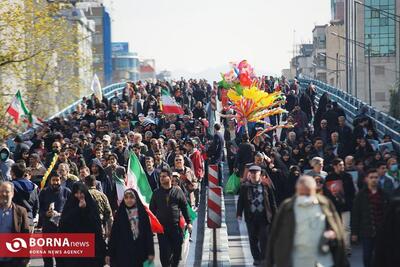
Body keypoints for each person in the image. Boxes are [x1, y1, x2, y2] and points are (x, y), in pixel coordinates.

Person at [266, 175, 348, 267]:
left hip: (322, 260)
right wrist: (269, 262)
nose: (305, 198)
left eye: (308, 194)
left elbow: (338, 229)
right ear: (297, 190)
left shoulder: (325, 204)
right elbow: (274, 234)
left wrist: (332, 234)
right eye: (302, 194)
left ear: (314, 190)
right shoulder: (287, 207)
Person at [150, 168, 192, 267]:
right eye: (160, 177)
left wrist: (189, 222)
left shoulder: (178, 192)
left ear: (170, 178)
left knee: (177, 251)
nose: (161, 178)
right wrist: (150, 225)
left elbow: (184, 208)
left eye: (164, 176)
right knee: (164, 252)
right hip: (162, 229)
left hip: (176, 227)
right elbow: (152, 211)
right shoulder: (156, 193)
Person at [58, 182, 106, 267]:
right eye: (77, 193)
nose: (79, 195)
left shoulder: (91, 205)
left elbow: (96, 225)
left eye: (81, 193)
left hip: (90, 246)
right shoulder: (70, 204)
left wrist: (85, 209)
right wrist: (78, 209)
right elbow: (64, 223)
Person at [237, 166, 277, 266]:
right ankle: (256, 258)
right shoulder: (245, 187)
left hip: (264, 216)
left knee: (264, 238)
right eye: (252, 173)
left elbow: (272, 202)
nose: (254, 175)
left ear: (260, 174)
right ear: (249, 175)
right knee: (253, 238)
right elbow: (240, 202)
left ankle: (264, 258)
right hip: (251, 217)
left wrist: (276, 215)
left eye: (256, 173)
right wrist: (239, 213)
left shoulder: (266, 185)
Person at [351, 169, 389, 267]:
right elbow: (356, 214)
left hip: (381, 230)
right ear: (366, 179)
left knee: (380, 255)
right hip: (366, 230)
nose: (374, 180)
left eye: (376, 177)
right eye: (371, 177)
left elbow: (388, 214)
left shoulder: (384, 194)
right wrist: (354, 232)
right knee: (367, 256)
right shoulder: (361, 195)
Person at [107, 189, 154, 267]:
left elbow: (148, 234)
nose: (129, 200)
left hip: (140, 251)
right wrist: (109, 253)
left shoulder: (142, 213)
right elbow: (114, 235)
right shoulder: (120, 214)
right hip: (123, 252)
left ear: (136, 198)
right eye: (126, 197)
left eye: (131, 197)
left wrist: (151, 252)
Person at [324, 158, 356, 255]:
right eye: (340, 165)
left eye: (343, 165)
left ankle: (347, 249)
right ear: (335, 166)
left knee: (346, 228)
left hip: (346, 206)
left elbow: (352, 191)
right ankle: (337, 248)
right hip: (334, 207)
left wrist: (348, 200)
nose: (342, 166)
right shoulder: (329, 178)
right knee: (335, 228)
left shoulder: (348, 176)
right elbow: (327, 192)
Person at [39, 174, 71, 267]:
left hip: (62, 227)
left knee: (61, 254)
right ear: (50, 181)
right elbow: (39, 208)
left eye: (57, 180)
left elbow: (72, 208)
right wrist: (45, 213)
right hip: (48, 226)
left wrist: (62, 215)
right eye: (54, 180)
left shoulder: (67, 192)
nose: (56, 182)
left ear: (60, 180)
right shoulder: (44, 192)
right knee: (47, 253)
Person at [0, 181, 30, 267]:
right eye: (1, 191)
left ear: (12, 194)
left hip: (13, 259)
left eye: (7, 191)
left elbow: (25, 235)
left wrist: (26, 256)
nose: (4, 194)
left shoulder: (21, 211)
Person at [11, 163, 39, 231]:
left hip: (15, 222)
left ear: (13, 173)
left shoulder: (11, 186)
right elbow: (36, 205)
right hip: (29, 221)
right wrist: (32, 217)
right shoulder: (33, 186)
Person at [84, 175, 113, 239]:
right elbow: (109, 215)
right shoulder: (102, 196)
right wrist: (109, 230)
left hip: (86, 228)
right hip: (100, 228)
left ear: (85, 183)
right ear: (95, 183)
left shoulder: (83, 196)